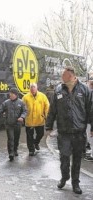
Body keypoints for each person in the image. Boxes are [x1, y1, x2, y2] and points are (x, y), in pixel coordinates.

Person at [46, 66, 93, 194]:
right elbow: (52, 110)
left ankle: (75, 183)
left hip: (79, 132)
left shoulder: (84, 90)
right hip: (64, 131)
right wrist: (49, 126)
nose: (62, 77)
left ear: (71, 75)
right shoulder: (59, 89)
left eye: (64, 75)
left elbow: (90, 109)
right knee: (64, 157)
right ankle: (64, 176)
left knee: (77, 159)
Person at [0, 88, 27, 161]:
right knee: (11, 138)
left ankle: (15, 150)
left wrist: (22, 117)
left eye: (11, 94)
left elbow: (25, 111)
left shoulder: (21, 103)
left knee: (16, 138)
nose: (10, 95)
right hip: (9, 124)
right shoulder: (6, 103)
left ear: (16, 95)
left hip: (17, 124)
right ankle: (11, 153)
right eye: (9, 94)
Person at [22, 83, 50, 156]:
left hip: (40, 119)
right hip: (29, 120)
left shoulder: (42, 96)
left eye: (34, 87)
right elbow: (22, 107)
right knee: (29, 136)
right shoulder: (25, 97)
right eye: (31, 88)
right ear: (29, 89)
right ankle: (31, 150)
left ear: (37, 88)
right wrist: (22, 116)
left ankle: (36, 143)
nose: (32, 89)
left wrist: (47, 116)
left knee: (41, 134)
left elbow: (47, 106)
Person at [84, 79, 93, 162]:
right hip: (89, 120)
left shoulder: (90, 94)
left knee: (90, 136)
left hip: (90, 120)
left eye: (88, 84)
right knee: (89, 136)